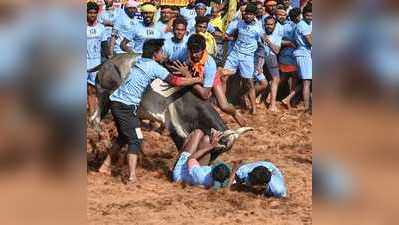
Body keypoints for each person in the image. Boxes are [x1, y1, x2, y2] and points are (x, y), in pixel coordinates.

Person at [98, 39, 201, 183]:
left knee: (123, 136)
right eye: (161, 52)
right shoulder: (153, 67)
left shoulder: (141, 60)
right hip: (125, 106)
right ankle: (132, 176)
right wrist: (196, 79)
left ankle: (105, 165)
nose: (163, 54)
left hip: (119, 103)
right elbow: (176, 82)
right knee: (135, 140)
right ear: (155, 54)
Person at [173, 34, 247, 126]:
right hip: (196, 77)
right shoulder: (183, 54)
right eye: (191, 51)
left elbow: (205, 94)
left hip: (210, 78)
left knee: (224, 106)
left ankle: (235, 113)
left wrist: (188, 77)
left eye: (197, 52)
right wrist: (196, 79)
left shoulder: (209, 64)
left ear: (203, 50)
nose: (194, 55)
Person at [221, 2, 265, 115]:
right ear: (243, 14)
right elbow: (225, 36)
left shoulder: (258, 29)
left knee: (248, 83)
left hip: (248, 57)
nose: (248, 16)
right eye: (247, 14)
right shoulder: (237, 24)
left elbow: (261, 46)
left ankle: (253, 107)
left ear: (254, 15)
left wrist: (259, 63)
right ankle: (223, 103)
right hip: (234, 54)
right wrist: (230, 37)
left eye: (251, 14)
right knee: (224, 77)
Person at [277, 7, 301, 109]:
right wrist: (290, 43)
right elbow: (279, 40)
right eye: (299, 15)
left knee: (288, 78)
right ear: (296, 16)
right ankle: (267, 95)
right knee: (285, 79)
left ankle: (289, 100)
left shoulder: (291, 25)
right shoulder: (288, 26)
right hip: (289, 55)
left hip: (290, 55)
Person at [293, 4, 312, 112]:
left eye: (312, 15)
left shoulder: (309, 23)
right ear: (303, 15)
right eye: (308, 16)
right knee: (306, 82)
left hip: (307, 53)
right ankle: (306, 107)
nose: (310, 17)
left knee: (307, 81)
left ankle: (292, 100)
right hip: (303, 54)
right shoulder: (302, 25)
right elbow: (311, 41)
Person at [87, 1, 109, 86]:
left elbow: (104, 44)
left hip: (96, 63)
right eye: (90, 13)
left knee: (94, 88)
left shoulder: (101, 27)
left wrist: (110, 58)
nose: (92, 15)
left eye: (95, 13)